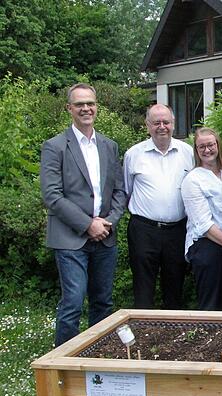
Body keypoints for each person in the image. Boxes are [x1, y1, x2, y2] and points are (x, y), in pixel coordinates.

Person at [40, 83, 127, 346]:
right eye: (79, 104)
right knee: (73, 302)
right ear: (69, 109)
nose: (86, 108)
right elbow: (52, 195)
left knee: (103, 301)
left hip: (105, 237)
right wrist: (88, 224)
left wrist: (108, 222)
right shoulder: (55, 146)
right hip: (70, 238)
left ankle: (97, 357)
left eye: (90, 103)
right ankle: (63, 364)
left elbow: (120, 192)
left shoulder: (109, 146)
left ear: (97, 107)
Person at [124, 104, 194, 309]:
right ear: (147, 126)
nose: (161, 126)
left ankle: (171, 335)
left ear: (173, 124)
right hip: (143, 230)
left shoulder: (188, 152)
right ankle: (143, 332)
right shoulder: (133, 154)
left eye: (166, 122)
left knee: (175, 286)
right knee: (143, 286)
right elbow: (127, 191)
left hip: (177, 230)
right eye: (156, 123)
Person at [180, 127, 222, 310]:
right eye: (201, 147)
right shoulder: (193, 179)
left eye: (211, 145)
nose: (207, 150)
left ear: (218, 145)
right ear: (196, 151)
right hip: (207, 245)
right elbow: (203, 225)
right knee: (210, 305)